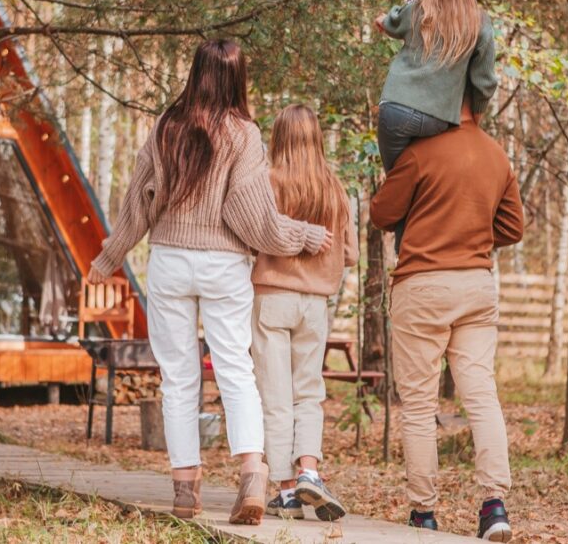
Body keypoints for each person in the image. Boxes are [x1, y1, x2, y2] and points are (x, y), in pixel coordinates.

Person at [88, 39, 333, 526]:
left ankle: (186, 491)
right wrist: (303, 235)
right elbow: (252, 218)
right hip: (223, 266)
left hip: (170, 262)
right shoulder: (243, 134)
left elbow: (140, 202)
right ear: (237, 78)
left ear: (196, 72)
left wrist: (109, 256)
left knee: (179, 378)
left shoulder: (166, 126)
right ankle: (251, 476)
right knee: (235, 372)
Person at [370, 100, 524, 542]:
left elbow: (381, 214)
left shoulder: (420, 153)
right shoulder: (496, 154)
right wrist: (471, 230)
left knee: (419, 405)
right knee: (481, 394)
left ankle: (424, 514)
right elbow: (513, 227)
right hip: (476, 284)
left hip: (422, 285)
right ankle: (494, 505)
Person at [248, 104, 358, 522]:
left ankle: (286, 491)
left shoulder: (265, 183)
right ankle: (309, 468)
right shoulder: (334, 188)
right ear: (317, 139)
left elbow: (253, 237)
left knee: (274, 396)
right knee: (309, 392)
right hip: (315, 304)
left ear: (278, 139)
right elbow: (350, 254)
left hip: (272, 298)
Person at [373, 0, 498, 174]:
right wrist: (475, 121)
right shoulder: (479, 23)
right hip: (438, 119)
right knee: (432, 182)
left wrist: (383, 21)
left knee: (398, 185)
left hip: (395, 110)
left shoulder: (418, 9)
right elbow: (485, 82)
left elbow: (392, 21)